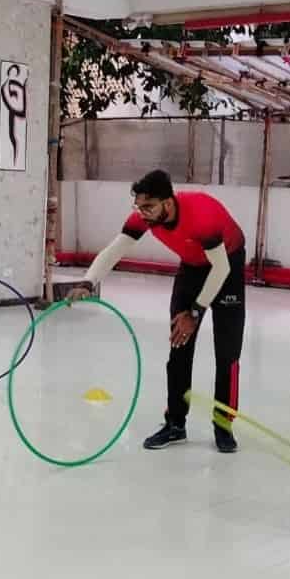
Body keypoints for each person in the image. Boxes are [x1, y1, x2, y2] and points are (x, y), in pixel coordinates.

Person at [68, 168, 249, 451]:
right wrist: (88, 283)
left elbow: (221, 268)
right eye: (138, 207)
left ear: (168, 203)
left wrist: (196, 312)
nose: (142, 213)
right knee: (178, 348)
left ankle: (223, 427)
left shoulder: (201, 215)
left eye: (148, 207)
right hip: (192, 267)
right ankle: (175, 424)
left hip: (228, 264)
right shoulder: (144, 217)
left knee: (227, 353)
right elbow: (115, 250)